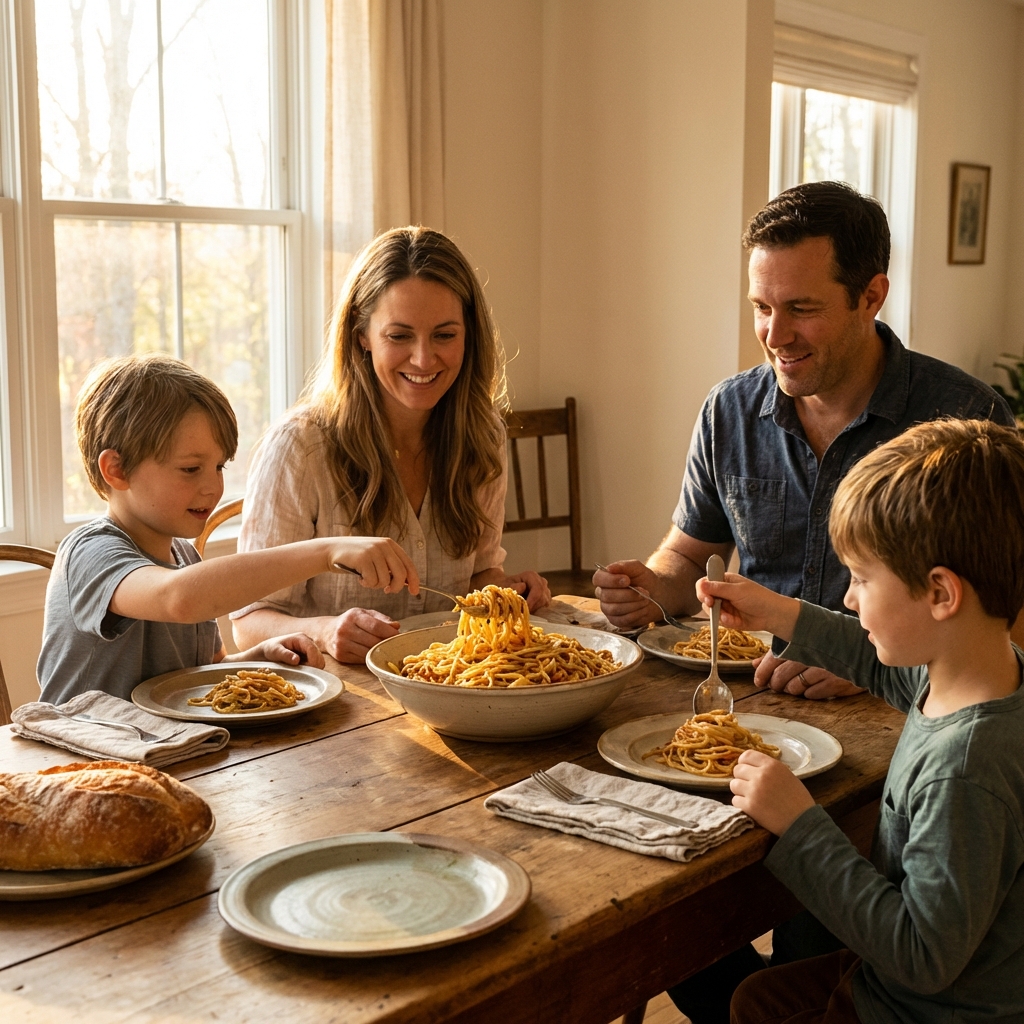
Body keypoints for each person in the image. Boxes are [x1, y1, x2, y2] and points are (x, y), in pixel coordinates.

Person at [595, 181, 1014, 701]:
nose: (774, 335)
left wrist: (870, 663)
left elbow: (1001, 627)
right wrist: (653, 589)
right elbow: (687, 555)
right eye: (761, 307)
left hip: (902, 711)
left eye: (801, 309)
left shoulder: (967, 419)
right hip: (745, 695)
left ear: (872, 297)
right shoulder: (729, 411)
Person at [696, 418, 1024, 1024]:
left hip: (925, 1007)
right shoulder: (983, 673)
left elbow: (922, 956)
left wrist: (800, 823)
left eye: (864, 579)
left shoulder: (966, 770)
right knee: (754, 999)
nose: (848, 597)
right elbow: (880, 667)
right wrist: (776, 610)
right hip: (936, 989)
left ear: (941, 594)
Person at [231, 226, 549, 663]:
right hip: (341, 707)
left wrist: (506, 590)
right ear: (361, 333)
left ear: (469, 334)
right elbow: (248, 622)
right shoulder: (299, 447)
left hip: (450, 685)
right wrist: (324, 630)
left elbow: (479, 572)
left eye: (445, 335)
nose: (423, 359)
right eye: (399, 336)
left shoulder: (484, 434)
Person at [38, 355, 421, 705]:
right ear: (116, 470)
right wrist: (324, 552)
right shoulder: (89, 553)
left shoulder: (184, 556)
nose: (213, 487)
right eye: (191, 469)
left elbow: (202, 667)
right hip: (84, 761)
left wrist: (256, 657)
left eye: (219, 467)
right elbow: (178, 599)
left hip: (167, 756)